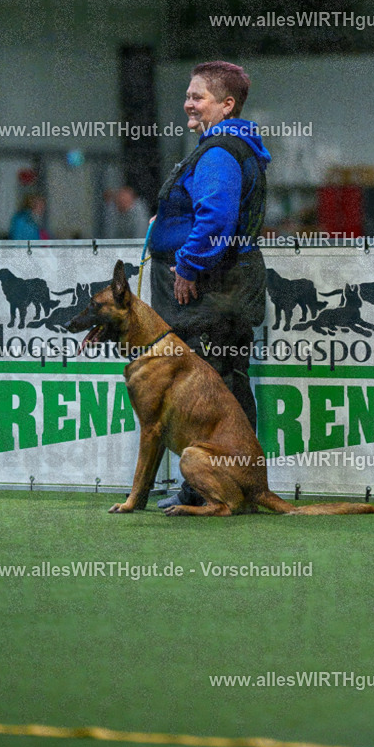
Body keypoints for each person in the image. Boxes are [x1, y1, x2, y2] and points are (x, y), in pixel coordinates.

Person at [148, 61, 270, 509]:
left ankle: (205, 490)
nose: (188, 103)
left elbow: (216, 220)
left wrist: (188, 266)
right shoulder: (232, 148)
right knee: (228, 390)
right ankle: (230, 489)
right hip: (228, 293)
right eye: (189, 94)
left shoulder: (219, 152)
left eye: (198, 96)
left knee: (210, 393)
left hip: (212, 294)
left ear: (226, 104)